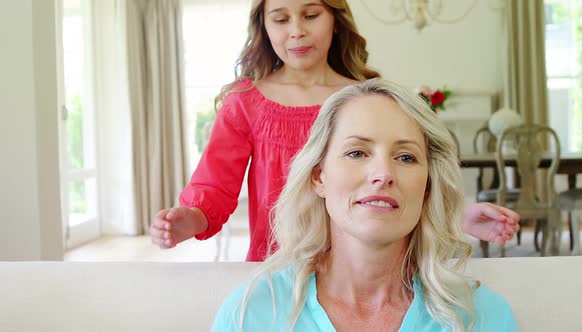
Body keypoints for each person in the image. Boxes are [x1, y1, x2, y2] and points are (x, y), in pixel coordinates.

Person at [149, 0, 519, 262]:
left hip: (369, 267)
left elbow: (395, 178)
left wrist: (456, 215)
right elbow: (215, 188)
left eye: (311, 14)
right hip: (279, 266)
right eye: (280, 19)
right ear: (263, 26)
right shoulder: (244, 102)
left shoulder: (368, 96)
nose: (297, 31)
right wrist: (191, 218)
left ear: (335, 19)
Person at [211, 79, 518, 331]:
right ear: (319, 176)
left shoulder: (481, 317)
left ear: (427, 187)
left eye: (406, 157)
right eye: (357, 153)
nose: (383, 174)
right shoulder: (250, 314)